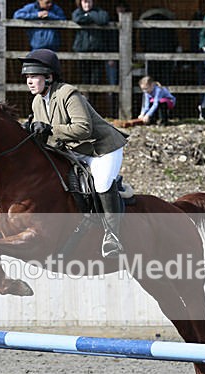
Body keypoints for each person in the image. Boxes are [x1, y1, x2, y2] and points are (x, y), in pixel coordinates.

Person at [21, 49, 128, 258]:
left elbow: (83, 129)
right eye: (27, 77)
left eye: (34, 76)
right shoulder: (37, 102)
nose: (29, 82)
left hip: (102, 149)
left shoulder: (68, 93)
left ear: (49, 77)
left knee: (101, 183)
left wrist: (50, 129)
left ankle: (113, 237)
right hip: (76, 151)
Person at [71, 0, 110, 91]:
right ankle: (84, 98)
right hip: (82, 51)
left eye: (89, 2)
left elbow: (103, 19)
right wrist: (93, 18)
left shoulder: (99, 11)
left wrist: (89, 15)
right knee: (84, 78)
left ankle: (94, 98)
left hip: (97, 51)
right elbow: (78, 19)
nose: (87, 5)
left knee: (96, 79)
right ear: (80, 2)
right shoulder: (77, 12)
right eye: (85, 2)